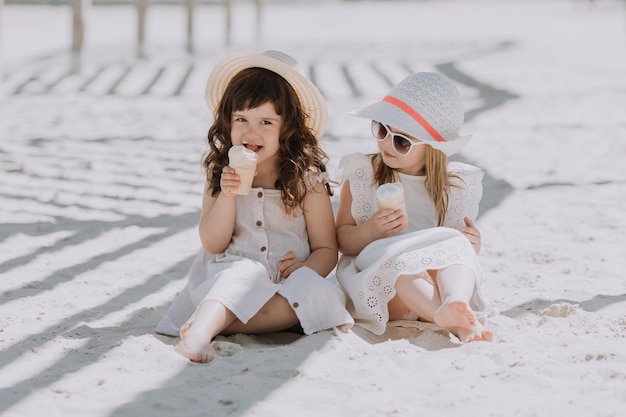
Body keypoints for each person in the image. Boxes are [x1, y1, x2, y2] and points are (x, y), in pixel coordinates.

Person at [156, 50, 353, 363]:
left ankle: (210, 321)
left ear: (287, 127)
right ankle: (198, 335)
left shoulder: (308, 179)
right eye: (241, 119)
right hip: (230, 274)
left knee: (320, 292)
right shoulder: (220, 172)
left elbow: (327, 249)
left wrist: (305, 270)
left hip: (285, 285)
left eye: (266, 121)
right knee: (244, 274)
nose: (251, 132)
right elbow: (212, 242)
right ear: (227, 121)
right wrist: (228, 196)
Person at [335, 72, 494, 343]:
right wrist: (371, 230)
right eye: (382, 129)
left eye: (402, 141)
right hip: (384, 289)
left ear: (431, 148)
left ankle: (456, 305)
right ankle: (447, 318)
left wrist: (470, 244)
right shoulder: (363, 175)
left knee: (456, 245)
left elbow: (452, 252)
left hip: (431, 288)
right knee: (403, 263)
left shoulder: (453, 187)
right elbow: (342, 242)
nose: (386, 143)